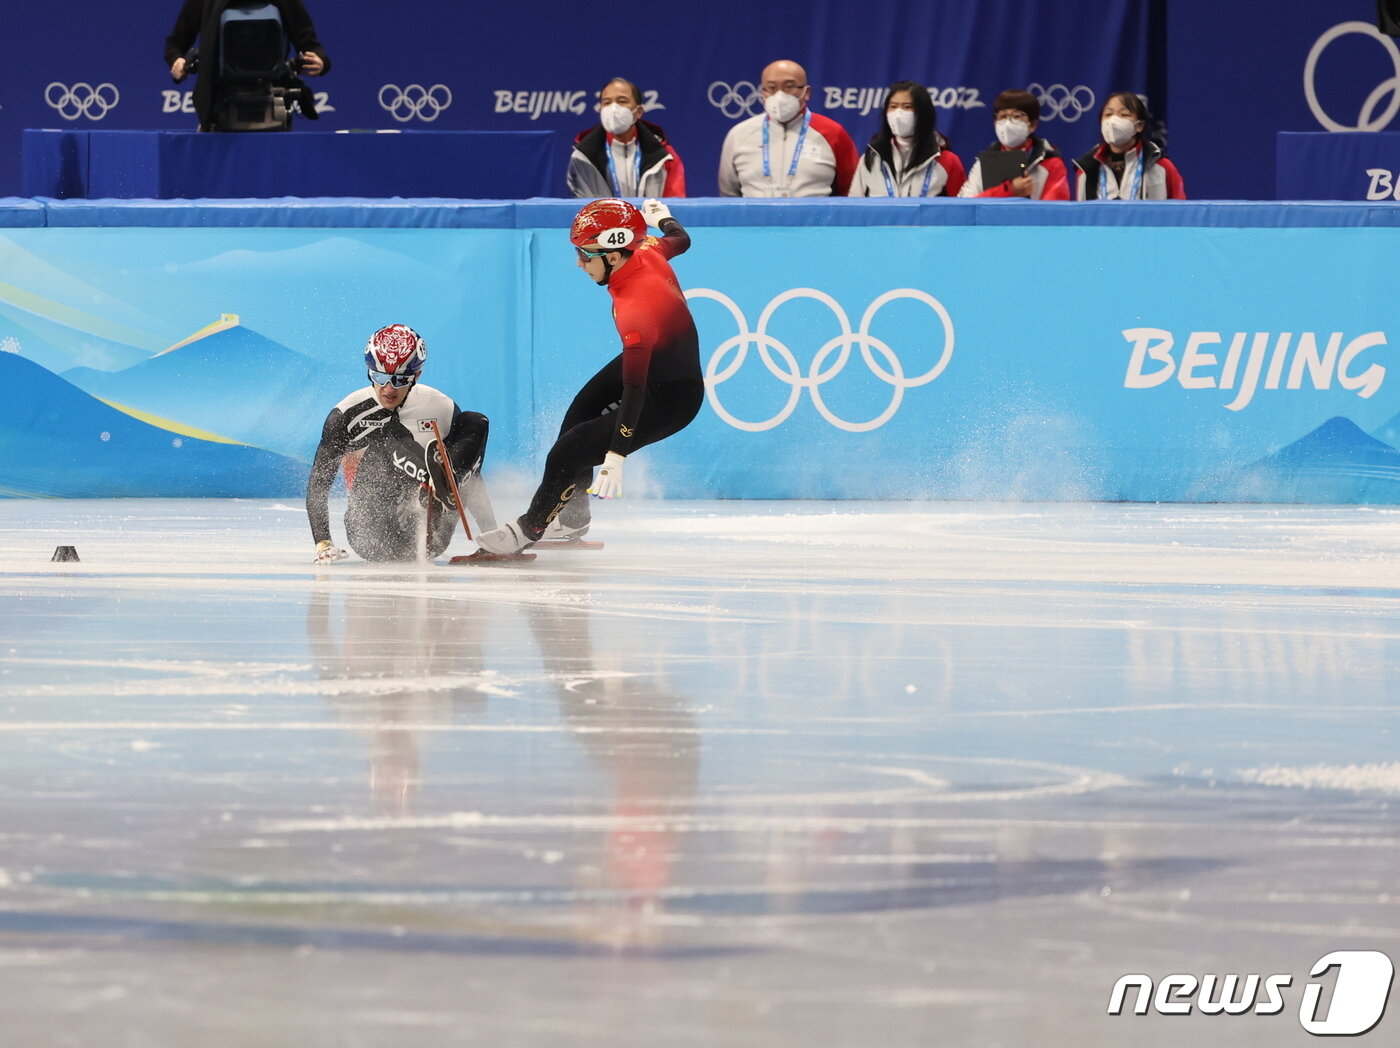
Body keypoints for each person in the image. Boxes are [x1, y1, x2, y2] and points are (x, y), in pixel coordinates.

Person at [474, 198, 703, 555]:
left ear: (612, 256)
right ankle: (573, 517)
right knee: (576, 420)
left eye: (584, 254)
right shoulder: (645, 249)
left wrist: (617, 453)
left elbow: (635, 391)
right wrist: (664, 219)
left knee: (567, 453)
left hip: (672, 399)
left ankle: (527, 530)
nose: (578, 263)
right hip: (660, 364)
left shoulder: (637, 309)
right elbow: (681, 240)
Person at [306, 324, 496, 564]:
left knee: (475, 421)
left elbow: (473, 474)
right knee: (387, 434)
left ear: (416, 376)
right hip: (371, 534)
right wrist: (323, 542)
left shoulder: (441, 406)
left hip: (430, 538)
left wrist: (492, 537)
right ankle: (431, 484)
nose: (388, 389)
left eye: (399, 380)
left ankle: (443, 489)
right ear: (369, 371)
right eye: (380, 377)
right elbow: (318, 484)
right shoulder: (345, 415)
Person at [164, 0, 330, 131]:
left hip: (272, 94)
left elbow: (308, 42)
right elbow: (176, 43)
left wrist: (320, 60)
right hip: (218, 99)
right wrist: (177, 60)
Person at [717, 59, 859, 197]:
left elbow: (852, 190)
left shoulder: (833, 133)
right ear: (762, 94)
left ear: (806, 92)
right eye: (771, 88)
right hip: (755, 221)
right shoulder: (739, 134)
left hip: (813, 220)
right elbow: (729, 195)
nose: (780, 95)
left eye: (789, 87)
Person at [567, 77, 686, 199]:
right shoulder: (582, 158)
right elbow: (581, 209)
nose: (613, 109)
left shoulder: (665, 157)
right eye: (607, 103)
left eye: (622, 101)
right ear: (600, 110)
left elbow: (675, 206)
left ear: (639, 111)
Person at [849, 81, 966, 197]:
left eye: (907, 107)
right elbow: (853, 206)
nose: (898, 114)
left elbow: (961, 209)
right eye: (893, 106)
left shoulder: (947, 162)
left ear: (923, 112)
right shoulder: (871, 158)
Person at [957, 89, 1070, 200]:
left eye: (1017, 116)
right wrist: (1009, 191)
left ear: (1033, 125)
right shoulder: (983, 163)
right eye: (1002, 116)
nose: (1007, 123)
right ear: (995, 123)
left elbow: (1054, 213)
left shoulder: (1051, 164)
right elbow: (966, 205)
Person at [1074, 92, 1186, 200]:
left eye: (1124, 115)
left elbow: (1180, 212)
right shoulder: (1086, 168)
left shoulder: (1160, 165)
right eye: (1108, 114)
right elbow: (1081, 215)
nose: (1113, 121)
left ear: (1139, 126)